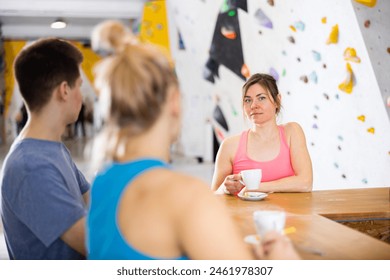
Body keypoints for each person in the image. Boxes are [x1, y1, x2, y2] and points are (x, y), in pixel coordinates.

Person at [86, 20, 299, 260]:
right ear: (174, 101)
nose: (254, 105)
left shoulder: (102, 181)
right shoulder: (187, 195)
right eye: (249, 99)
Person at [0, 38, 90, 259]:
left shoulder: (53, 148)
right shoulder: (31, 166)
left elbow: (91, 200)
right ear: (64, 91)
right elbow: (94, 244)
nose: (81, 95)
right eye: (79, 85)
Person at [211, 73, 313, 194]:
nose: (253, 105)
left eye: (261, 98)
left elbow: (306, 183)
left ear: (277, 101)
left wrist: (257, 187)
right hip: (245, 213)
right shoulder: (229, 146)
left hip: (289, 213)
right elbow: (213, 197)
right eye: (248, 100)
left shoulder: (292, 132)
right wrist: (224, 188)